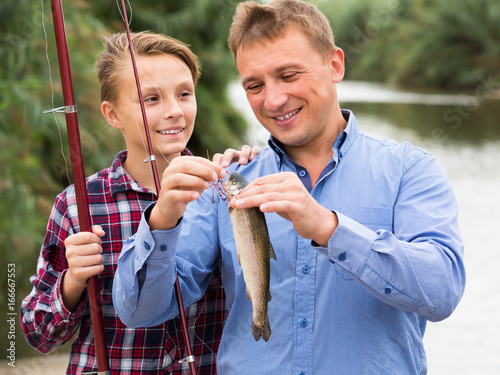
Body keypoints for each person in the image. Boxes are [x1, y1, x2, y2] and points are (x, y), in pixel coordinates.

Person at [113, 1, 466, 374]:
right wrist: (163, 219)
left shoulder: (409, 170)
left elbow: (441, 292)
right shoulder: (230, 181)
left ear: (335, 65)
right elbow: (140, 311)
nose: (274, 100)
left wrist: (328, 228)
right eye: (254, 85)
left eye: (289, 74)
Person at [20, 31, 259, 374]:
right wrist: (72, 281)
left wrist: (251, 171)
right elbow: (37, 335)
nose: (174, 111)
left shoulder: (224, 191)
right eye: (151, 99)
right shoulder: (78, 204)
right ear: (112, 114)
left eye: (184, 94)